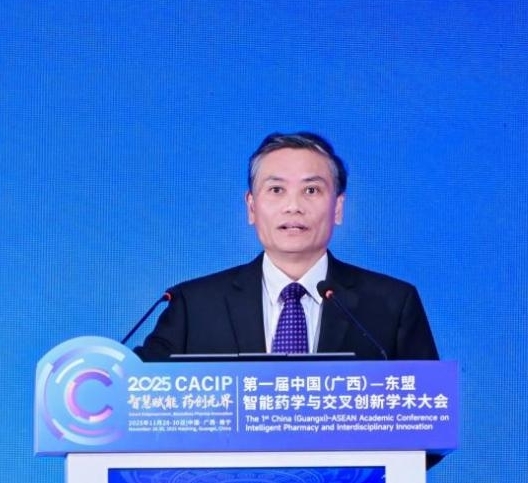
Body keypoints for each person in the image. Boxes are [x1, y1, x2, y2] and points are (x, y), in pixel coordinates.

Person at [135, 131, 439, 362]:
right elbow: (137, 396)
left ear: (337, 208)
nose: (293, 206)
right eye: (276, 189)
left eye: (311, 190)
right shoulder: (193, 306)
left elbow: (427, 417)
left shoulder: (392, 305)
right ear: (251, 207)